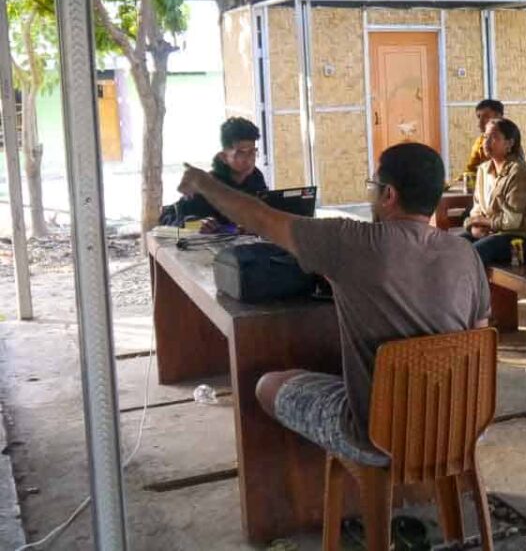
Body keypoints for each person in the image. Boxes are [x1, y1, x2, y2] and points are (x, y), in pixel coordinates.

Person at [176, 142, 490, 465]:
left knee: (266, 385)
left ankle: (324, 498)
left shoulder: (350, 243)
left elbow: (262, 219)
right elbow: (478, 339)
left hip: (379, 437)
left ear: (389, 195)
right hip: (461, 425)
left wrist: (203, 182)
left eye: (373, 187)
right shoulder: (466, 255)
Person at [159, 117, 267, 228]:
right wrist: (195, 225)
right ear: (224, 156)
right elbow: (167, 217)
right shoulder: (207, 184)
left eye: (253, 152)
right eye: (241, 153)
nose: (249, 159)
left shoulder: (256, 178)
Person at [463, 117, 526, 265]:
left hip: (522, 236)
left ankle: (474, 289)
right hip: (492, 232)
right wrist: (475, 227)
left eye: (493, 138)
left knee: (472, 255)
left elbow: (512, 222)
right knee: (454, 247)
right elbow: (477, 209)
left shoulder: (519, 171)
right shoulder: (483, 170)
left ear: (510, 143)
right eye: (485, 137)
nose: (486, 142)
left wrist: (482, 222)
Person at [465, 99, 504, 175]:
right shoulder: (479, 142)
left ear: (499, 117)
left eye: (486, 117)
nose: (480, 122)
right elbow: (471, 170)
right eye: (479, 117)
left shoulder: (510, 139)